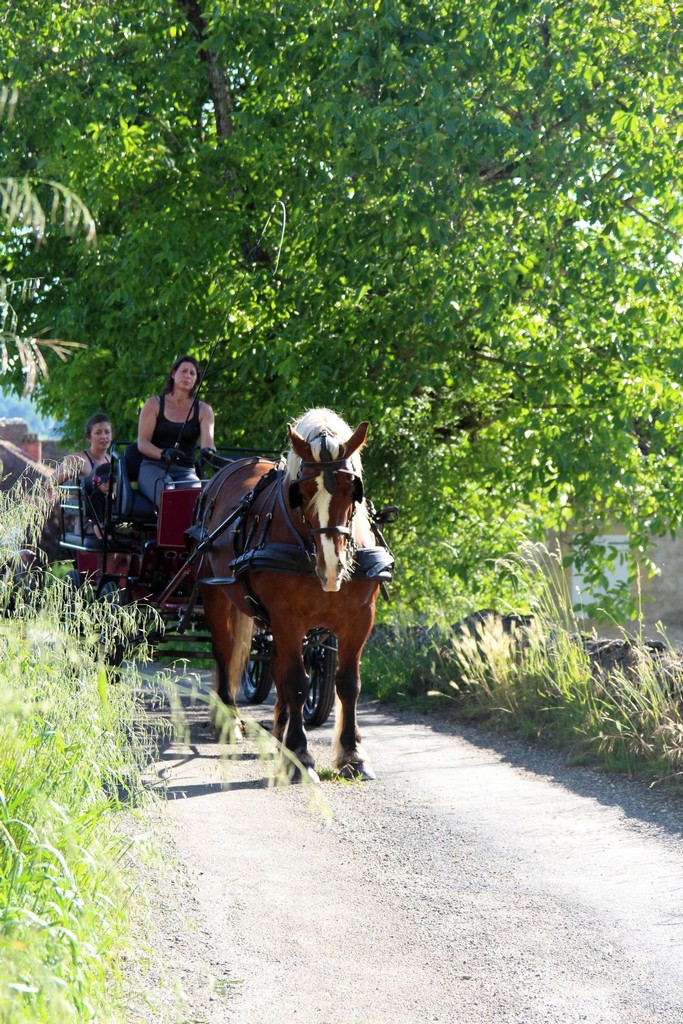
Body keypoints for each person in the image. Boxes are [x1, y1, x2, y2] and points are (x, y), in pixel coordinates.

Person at [137, 354, 215, 508]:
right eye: (183, 371)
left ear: (196, 381)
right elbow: (142, 443)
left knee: (197, 502)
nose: (187, 376)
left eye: (192, 373)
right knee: (170, 495)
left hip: (186, 472)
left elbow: (208, 444)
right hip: (154, 467)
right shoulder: (154, 404)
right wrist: (164, 454)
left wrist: (208, 453)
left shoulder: (204, 410)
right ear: (173, 374)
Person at [49, 412, 113, 535]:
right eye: (98, 432)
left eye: (107, 432)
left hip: (110, 520)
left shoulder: (110, 460)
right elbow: (49, 482)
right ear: (89, 438)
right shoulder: (79, 460)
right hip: (88, 525)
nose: (104, 436)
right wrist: (68, 475)